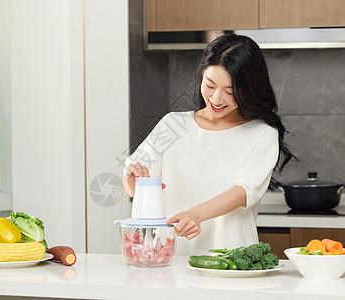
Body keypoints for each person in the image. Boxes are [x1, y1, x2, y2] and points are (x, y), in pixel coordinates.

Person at [123, 34, 295, 256]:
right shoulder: (173, 124)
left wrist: (196, 214)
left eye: (230, 92)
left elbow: (243, 191)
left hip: (230, 259)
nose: (216, 98)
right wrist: (134, 184)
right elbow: (135, 178)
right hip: (170, 258)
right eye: (210, 85)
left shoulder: (261, 133)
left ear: (249, 89)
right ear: (202, 75)